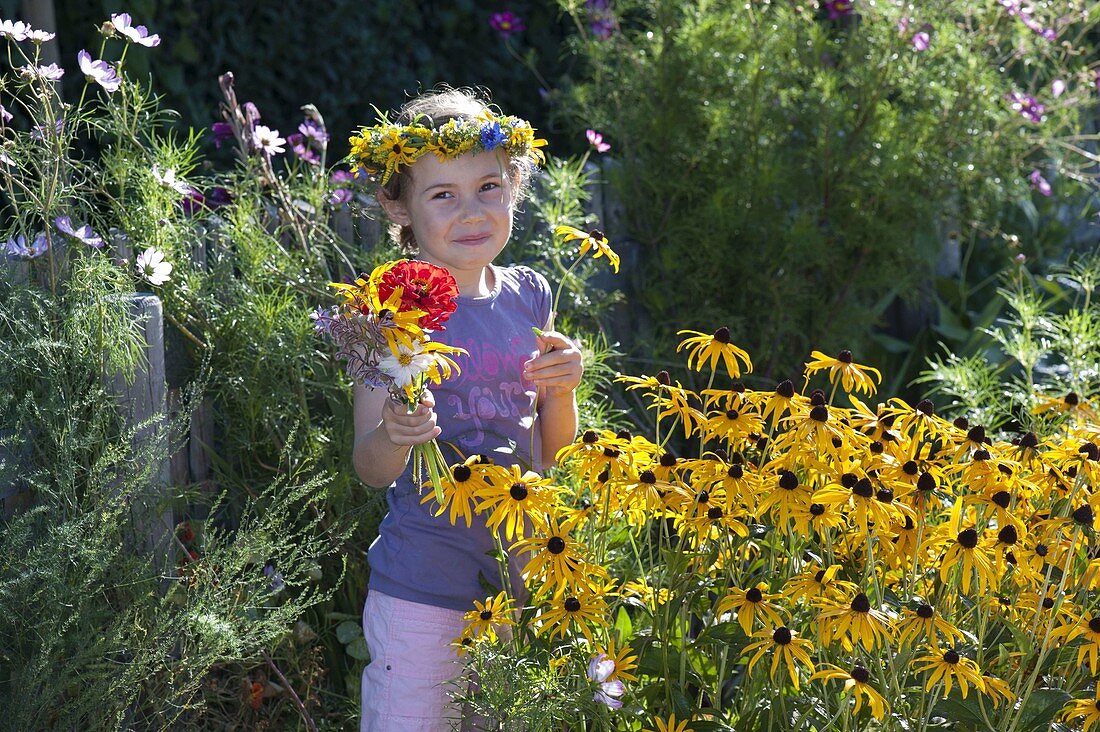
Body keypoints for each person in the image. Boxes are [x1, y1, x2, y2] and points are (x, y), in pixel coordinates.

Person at [350, 88, 584, 731]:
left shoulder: (530, 295)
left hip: (511, 585)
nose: (472, 211)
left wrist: (562, 388)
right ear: (398, 205)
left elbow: (551, 454)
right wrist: (397, 433)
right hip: (421, 590)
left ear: (514, 183)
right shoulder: (391, 309)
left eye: (487, 185)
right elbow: (369, 466)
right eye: (442, 194)